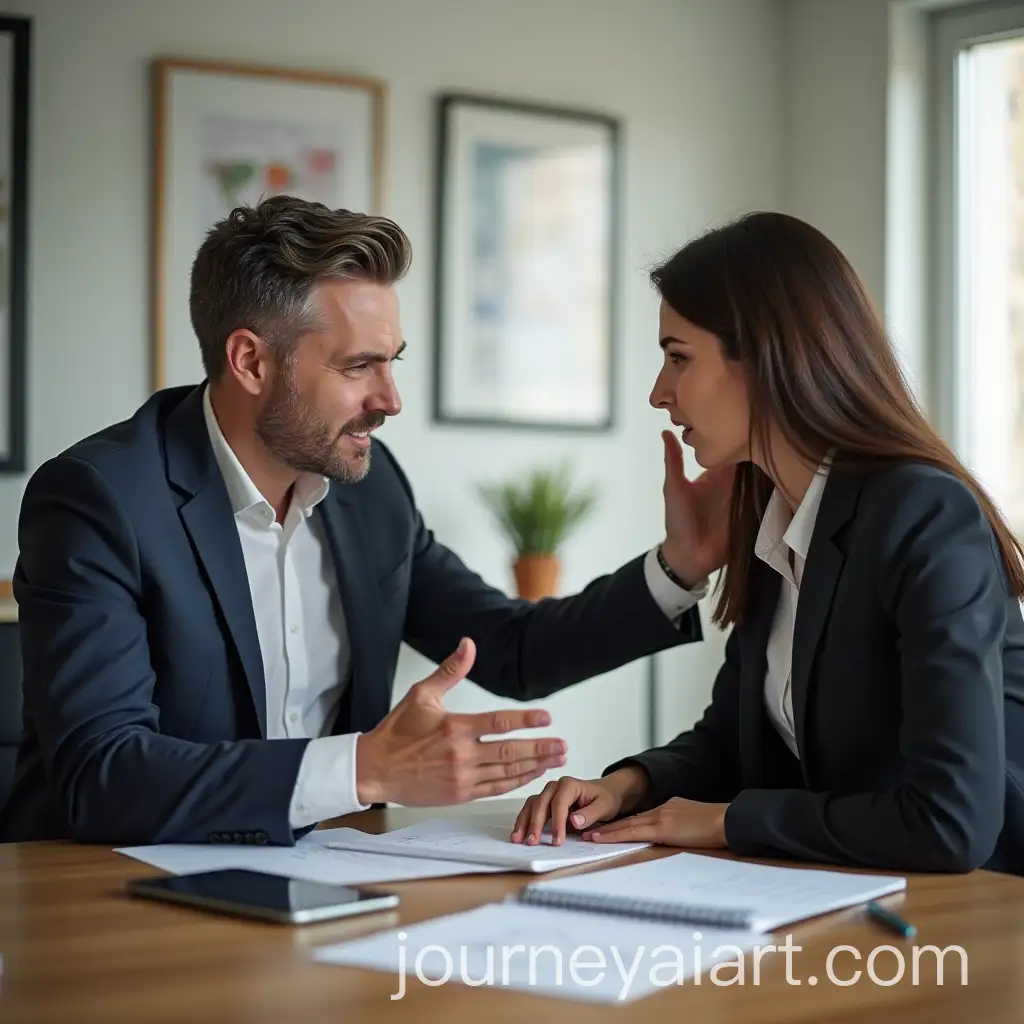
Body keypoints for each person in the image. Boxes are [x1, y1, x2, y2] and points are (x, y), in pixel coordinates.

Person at [0, 196, 732, 847]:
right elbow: (102, 774)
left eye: (394, 363)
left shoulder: (369, 491)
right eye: (359, 367)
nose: (390, 399)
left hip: (325, 886)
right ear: (251, 361)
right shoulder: (100, 499)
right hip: (105, 899)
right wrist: (365, 769)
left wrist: (678, 568)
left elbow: (508, 648)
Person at [512, 210, 1024, 875]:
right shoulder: (776, 518)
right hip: (859, 901)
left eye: (678, 358)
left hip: (985, 914)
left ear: (766, 356)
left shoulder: (921, 513)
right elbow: (736, 742)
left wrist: (725, 822)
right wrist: (626, 786)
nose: (658, 393)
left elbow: (949, 822)